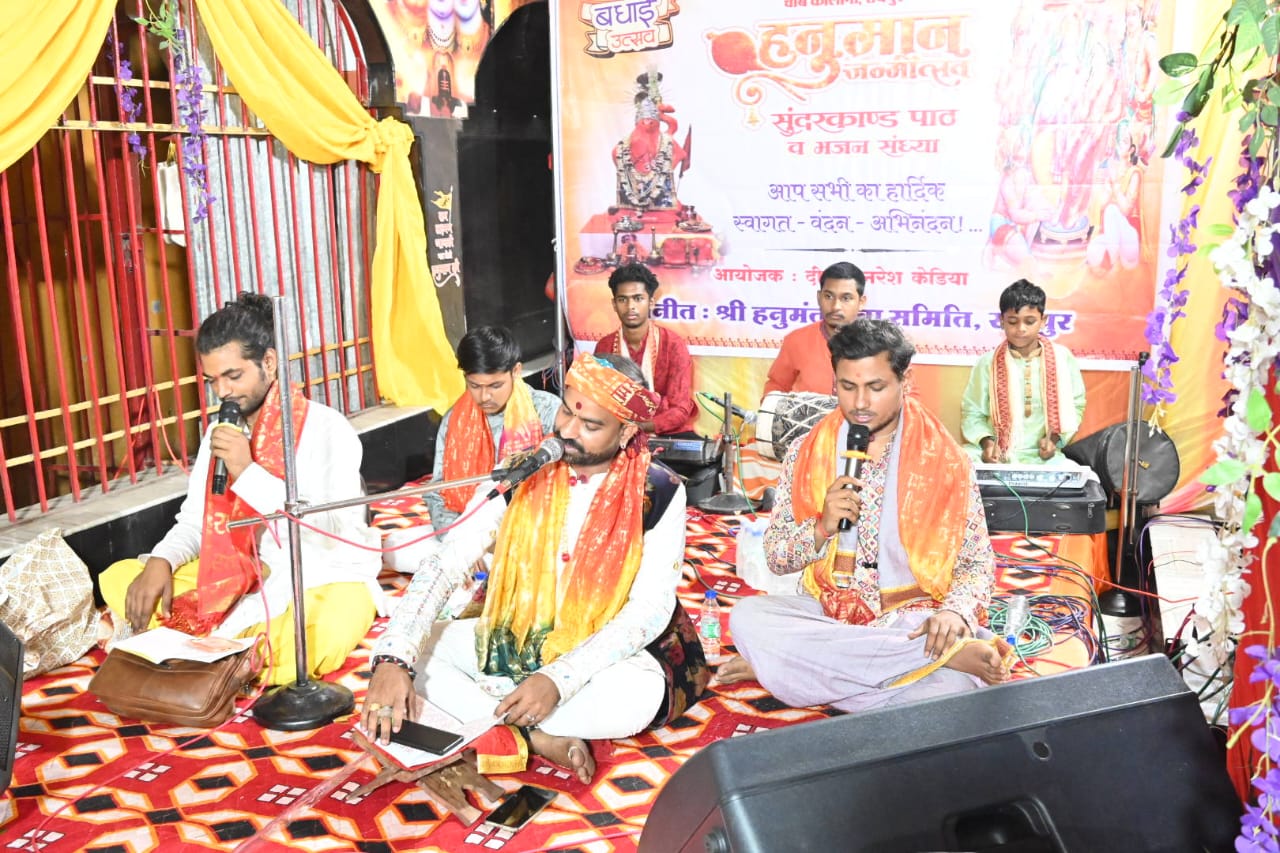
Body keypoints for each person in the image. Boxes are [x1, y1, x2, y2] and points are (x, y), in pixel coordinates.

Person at [362, 353, 687, 783]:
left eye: (590, 426)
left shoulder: (659, 491)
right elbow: (449, 559)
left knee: (635, 700)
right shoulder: (523, 471)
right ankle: (539, 736)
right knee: (415, 659)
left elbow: (649, 609)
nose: (568, 431)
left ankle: (497, 716)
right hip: (514, 631)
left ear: (626, 431)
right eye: (568, 410)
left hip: (602, 652)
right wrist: (393, 658)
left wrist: (559, 679)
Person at [718, 318, 1007, 711]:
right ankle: (924, 660)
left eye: (876, 387)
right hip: (829, 615)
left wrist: (955, 613)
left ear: (905, 381)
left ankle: (807, 671)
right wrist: (820, 528)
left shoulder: (946, 459)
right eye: (847, 387)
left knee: (947, 693)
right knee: (748, 617)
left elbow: (976, 564)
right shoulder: (806, 450)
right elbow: (778, 558)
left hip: (913, 616)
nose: (860, 404)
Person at [99, 293, 382, 685]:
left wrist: (246, 471)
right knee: (122, 577)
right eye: (213, 380)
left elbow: (331, 531)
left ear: (268, 362)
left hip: (322, 573)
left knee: (323, 634)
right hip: (239, 571)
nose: (222, 392)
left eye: (233, 376)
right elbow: (196, 521)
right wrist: (161, 561)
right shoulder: (220, 433)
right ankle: (227, 651)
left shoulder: (326, 428)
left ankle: (207, 649)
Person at [424, 325, 560, 535]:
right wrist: (458, 537)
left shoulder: (546, 409)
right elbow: (438, 492)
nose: (484, 397)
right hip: (471, 530)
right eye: (475, 386)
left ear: (516, 371)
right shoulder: (455, 419)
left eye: (495, 386)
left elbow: (565, 485)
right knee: (398, 550)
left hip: (532, 529)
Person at [961, 279, 1086, 466]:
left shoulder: (1062, 358)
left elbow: (1076, 405)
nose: (1021, 329)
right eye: (1012, 321)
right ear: (1001, 321)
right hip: (998, 453)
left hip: (1043, 457)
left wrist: (1053, 441)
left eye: (1030, 321)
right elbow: (972, 413)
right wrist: (988, 444)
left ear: (1043, 321)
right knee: (959, 462)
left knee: (1080, 479)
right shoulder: (987, 363)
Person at [594, 264, 698, 436]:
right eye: (622, 299)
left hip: (665, 434)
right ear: (614, 304)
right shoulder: (604, 346)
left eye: (638, 298)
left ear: (650, 302)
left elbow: (679, 409)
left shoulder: (672, 345)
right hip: (616, 433)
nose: (630, 307)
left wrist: (639, 427)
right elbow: (598, 401)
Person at [762, 262, 867, 397]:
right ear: (819, 297)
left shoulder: (879, 346)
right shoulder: (796, 341)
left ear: (861, 302)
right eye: (828, 296)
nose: (835, 306)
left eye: (846, 298)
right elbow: (776, 388)